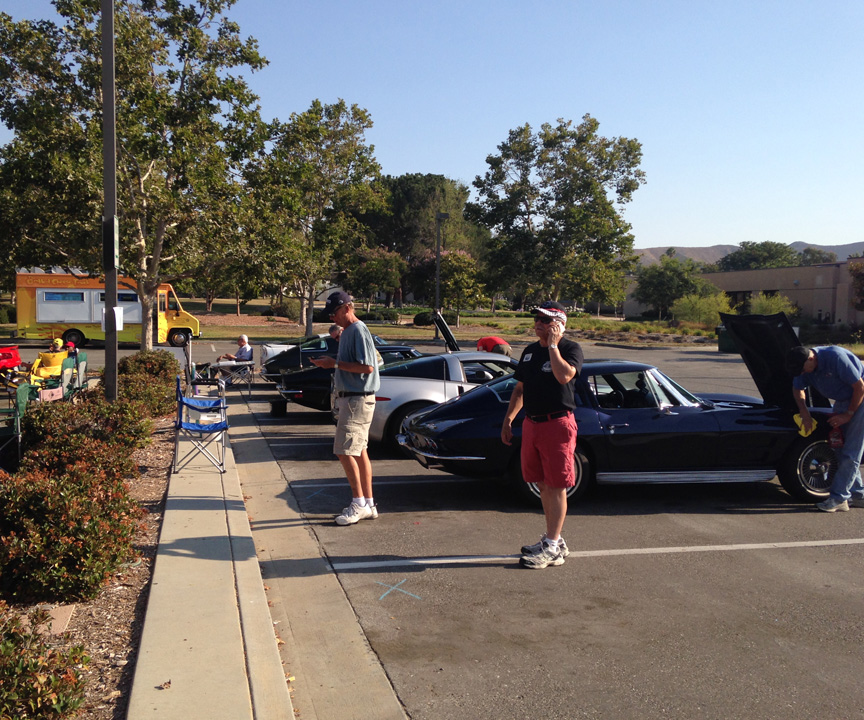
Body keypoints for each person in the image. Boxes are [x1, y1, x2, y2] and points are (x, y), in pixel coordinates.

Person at [502, 301, 584, 569]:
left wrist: (553, 346)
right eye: (537, 318)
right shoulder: (528, 352)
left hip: (557, 424)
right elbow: (519, 390)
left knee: (556, 484)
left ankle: (552, 546)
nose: (538, 323)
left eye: (546, 320)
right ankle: (553, 540)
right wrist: (509, 420)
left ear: (559, 324)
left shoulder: (570, 349)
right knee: (542, 484)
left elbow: (564, 376)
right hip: (532, 424)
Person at [311, 291, 381, 525]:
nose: (333, 318)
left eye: (334, 313)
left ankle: (359, 503)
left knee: (344, 450)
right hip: (354, 399)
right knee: (359, 451)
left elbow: (368, 367)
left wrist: (335, 363)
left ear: (346, 309)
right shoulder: (351, 331)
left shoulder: (357, 330)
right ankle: (368, 503)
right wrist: (331, 363)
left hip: (356, 401)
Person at [786, 345, 864, 512]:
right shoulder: (805, 368)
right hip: (844, 400)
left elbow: (860, 387)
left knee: (852, 451)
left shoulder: (835, 357)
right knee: (839, 448)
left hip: (860, 398)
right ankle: (858, 495)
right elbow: (797, 388)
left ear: (811, 359)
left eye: (802, 369)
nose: (802, 373)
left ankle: (839, 499)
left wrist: (848, 415)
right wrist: (804, 412)